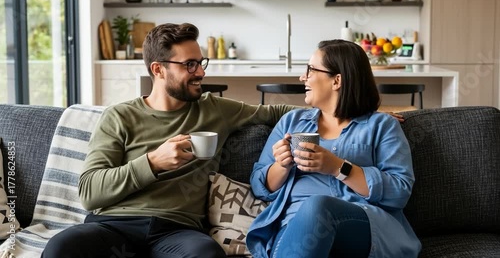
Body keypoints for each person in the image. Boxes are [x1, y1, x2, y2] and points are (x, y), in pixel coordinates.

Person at [41, 23, 296, 258]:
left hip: (177, 231)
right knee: (61, 247)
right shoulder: (120, 116)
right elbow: (89, 192)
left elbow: (276, 112)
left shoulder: (215, 109)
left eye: (200, 62)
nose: (201, 72)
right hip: (114, 226)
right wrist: (152, 163)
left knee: (206, 254)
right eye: (190, 65)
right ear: (158, 69)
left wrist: (329, 110)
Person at [246, 39, 421, 258]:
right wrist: (282, 166)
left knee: (317, 207)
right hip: (293, 227)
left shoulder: (381, 126)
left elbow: (400, 190)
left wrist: (338, 167)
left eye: (310, 70)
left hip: (359, 225)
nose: (303, 77)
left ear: (337, 80)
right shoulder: (292, 122)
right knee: (307, 220)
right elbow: (259, 186)